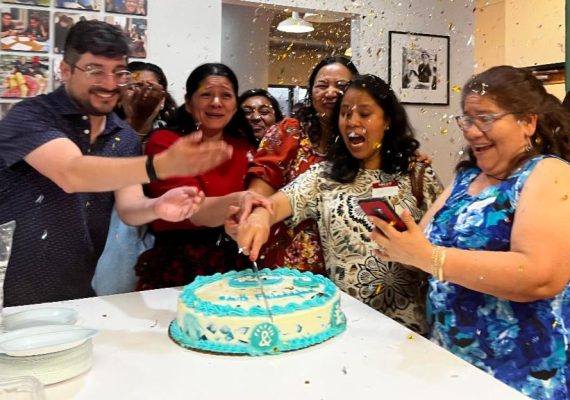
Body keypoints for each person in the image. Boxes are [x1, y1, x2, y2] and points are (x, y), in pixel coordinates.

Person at [368, 65, 570, 398]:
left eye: (486, 119)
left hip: (520, 376)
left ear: (528, 122)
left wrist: (431, 258)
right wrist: (400, 243)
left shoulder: (548, 173)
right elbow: (423, 244)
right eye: (467, 120)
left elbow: (540, 275)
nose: (473, 132)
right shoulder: (466, 179)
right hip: (452, 365)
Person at [0, 21, 232, 306]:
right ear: (66, 71)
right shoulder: (28, 117)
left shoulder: (122, 135)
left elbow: (129, 208)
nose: (110, 84)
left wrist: (158, 207)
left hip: (76, 292)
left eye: (119, 73)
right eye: (95, 71)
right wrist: (159, 165)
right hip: (10, 291)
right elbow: (72, 173)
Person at [235, 74, 443, 334]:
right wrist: (258, 218)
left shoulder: (418, 175)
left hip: (411, 332)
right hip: (346, 326)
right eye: (345, 114)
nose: (352, 121)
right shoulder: (324, 176)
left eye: (364, 113)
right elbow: (275, 205)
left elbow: (444, 245)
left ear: (388, 120)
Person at [134, 63, 258, 290]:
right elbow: (193, 211)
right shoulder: (165, 143)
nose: (216, 103)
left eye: (226, 95)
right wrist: (242, 202)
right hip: (181, 263)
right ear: (189, 102)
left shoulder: (244, 147)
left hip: (235, 263)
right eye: (206, 94)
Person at [242, 55, 358, 275]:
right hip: (289, 263)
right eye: (322, 86)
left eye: (342, 86)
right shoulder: (288, 132)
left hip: (348, 265)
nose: (331, 92)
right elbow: (259, 193)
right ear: (311, 92)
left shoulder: (360, 138)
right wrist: (256, 215)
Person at [92, 61, 176, 295]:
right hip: (107, 230)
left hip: (160, 232)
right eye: (134, 87)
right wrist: (137, 122)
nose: (142, 93)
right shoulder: (100, 132)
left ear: (162, 100)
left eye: (150, 88)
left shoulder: (172, 136)